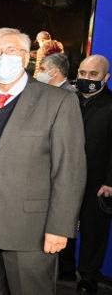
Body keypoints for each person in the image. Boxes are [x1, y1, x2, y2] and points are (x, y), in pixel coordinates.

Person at [0, 27, 86, 294]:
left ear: (26, 58)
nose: (2, 57)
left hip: (31, 230)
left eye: (11, 51)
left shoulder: (58, 101)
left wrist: (60, 227)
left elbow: (69, 171)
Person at [74, 55, 112, 293]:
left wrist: (110, 181)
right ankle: (64, 268)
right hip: (65, 178)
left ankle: (88, 276)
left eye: (93, 75)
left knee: (93, 231)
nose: (86, 79)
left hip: (98, 182)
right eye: (83, 73)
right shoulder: (67, 100)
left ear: (105, 78)